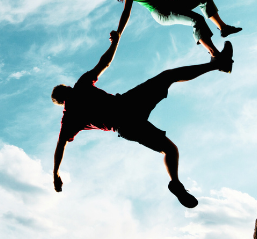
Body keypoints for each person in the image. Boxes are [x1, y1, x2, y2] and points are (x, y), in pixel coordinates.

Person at [50, 31, 233, 208]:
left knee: (170, 149)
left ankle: (175, 182)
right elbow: (104, 63)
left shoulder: (68, 118)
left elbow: (60, 146)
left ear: (61, 103)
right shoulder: (80, 86)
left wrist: (55, 173)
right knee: (168, 76)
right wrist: (114, 43)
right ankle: (217, 64)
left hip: (126, 127)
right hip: (128, 105)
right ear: (66, 89)